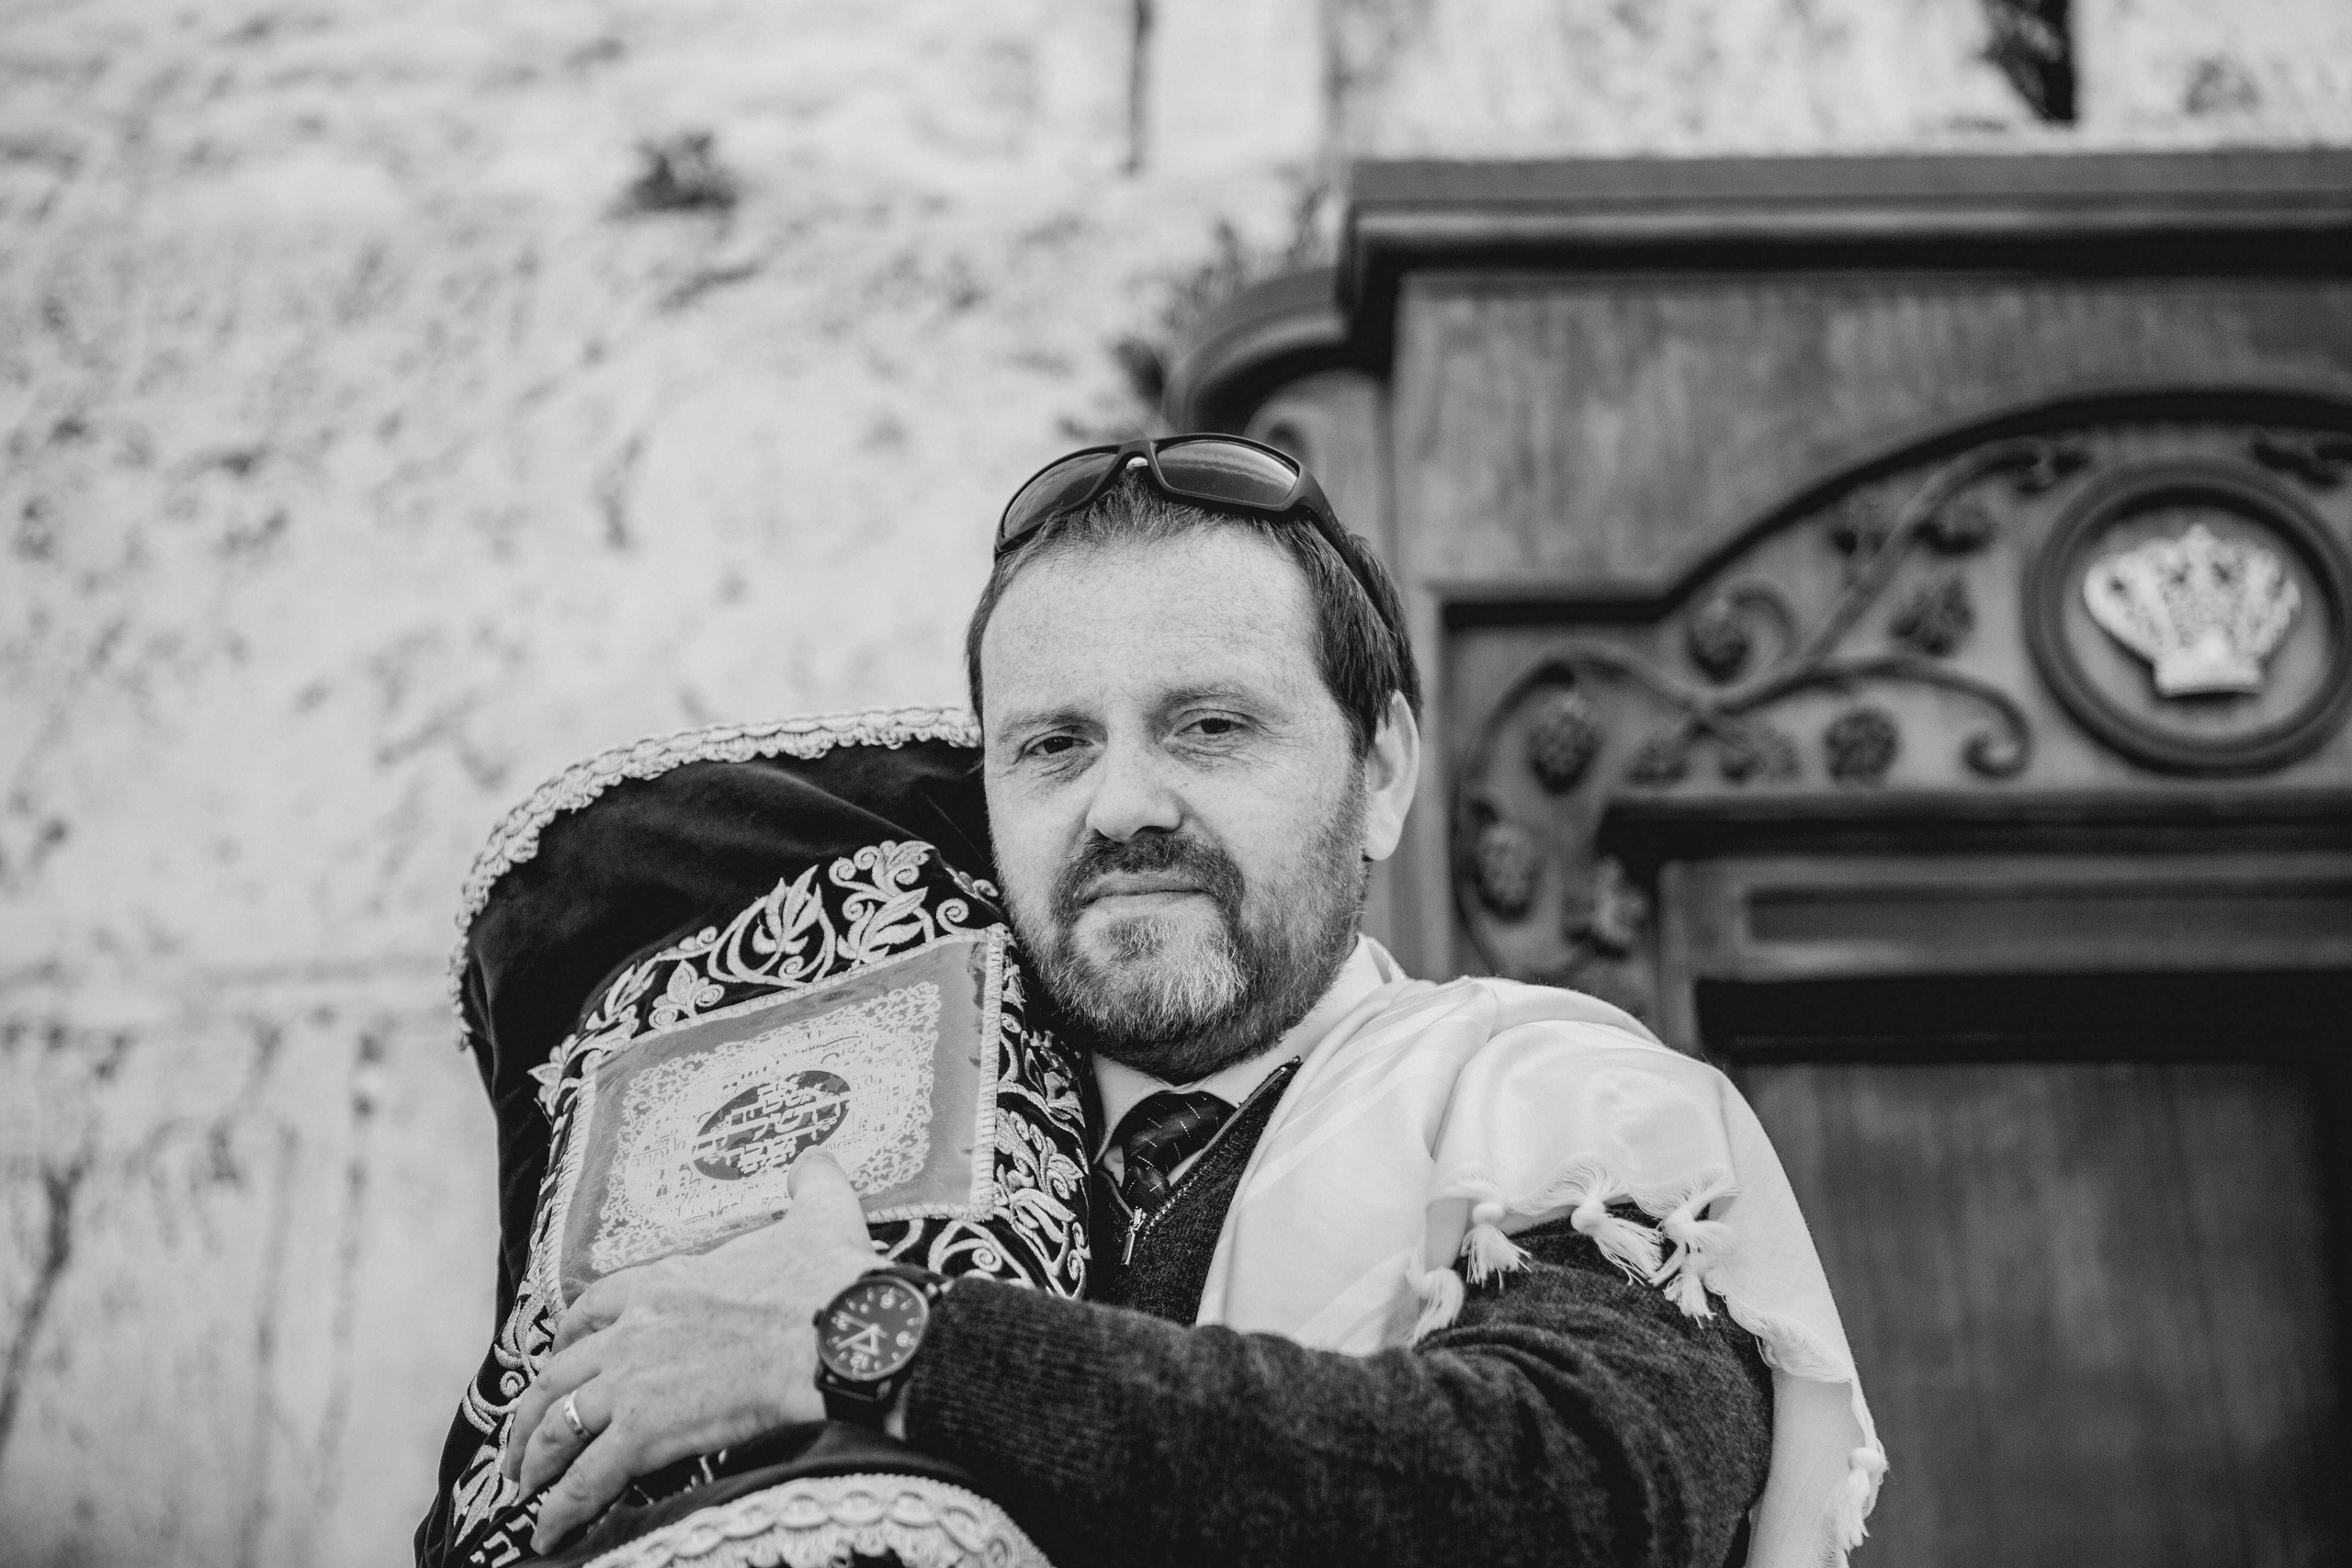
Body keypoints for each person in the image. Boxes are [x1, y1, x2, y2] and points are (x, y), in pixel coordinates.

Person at [499, 435, 1884, 1568]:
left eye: (1210, 727)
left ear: (1383, 771)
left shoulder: (1545, 1091)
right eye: (1053, 746)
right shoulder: (872, 1143)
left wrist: (883, 1337)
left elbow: (1578, 1495)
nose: (1123, 808)